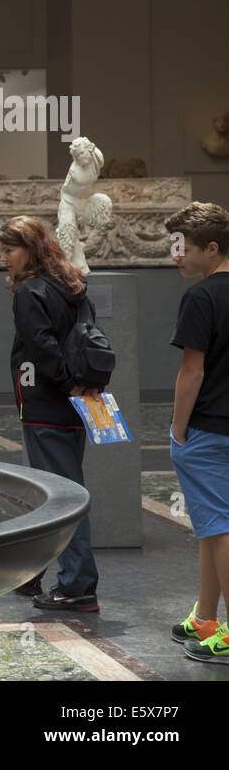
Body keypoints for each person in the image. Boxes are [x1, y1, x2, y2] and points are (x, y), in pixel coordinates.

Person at [0, 215, 101, 612]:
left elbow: (41, 350)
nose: (4, 258)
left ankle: (78, 585)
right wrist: (80, 385)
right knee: (57, 492)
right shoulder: (73, 284)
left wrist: (63, 381)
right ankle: (33, 575)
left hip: (44, 405)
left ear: (32, 250)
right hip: (77, 404)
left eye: (10, 250)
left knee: (63, 499)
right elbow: (90, 340)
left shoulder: (29, 293)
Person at [165, 201, 229, 664]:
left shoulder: (201, 298)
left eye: (183, 248)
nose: (175, 256)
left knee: (221, 528)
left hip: (208, 429)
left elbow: (192, 372)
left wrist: (177, 431)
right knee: (213, 525)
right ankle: (207, 616)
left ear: (211, 248)